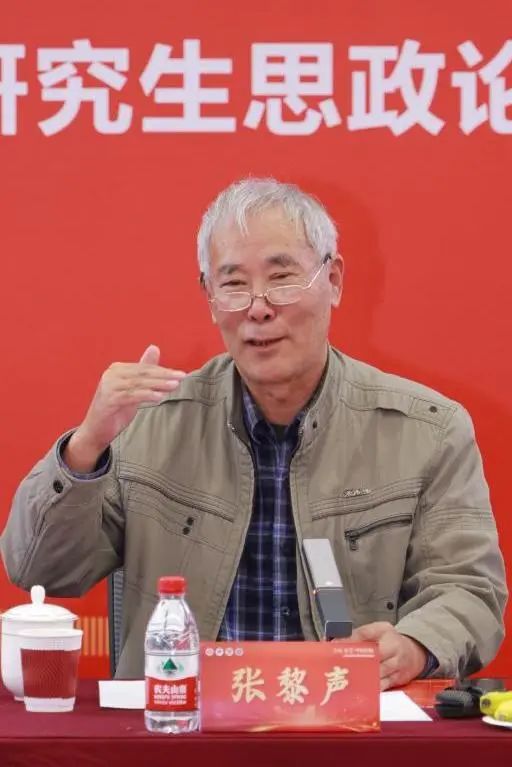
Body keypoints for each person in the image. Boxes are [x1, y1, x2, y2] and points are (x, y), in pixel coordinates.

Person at [1, 178, 507, 687]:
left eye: (282, 278)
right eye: (234, 284)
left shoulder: (428, 429)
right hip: (182, 722)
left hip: (346, 720)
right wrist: (87, 447)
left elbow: (469, 589)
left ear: (333, 280)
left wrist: (415, 645)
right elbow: (39, 570)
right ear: (210, 297)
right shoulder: (147, 423)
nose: (258, 307)